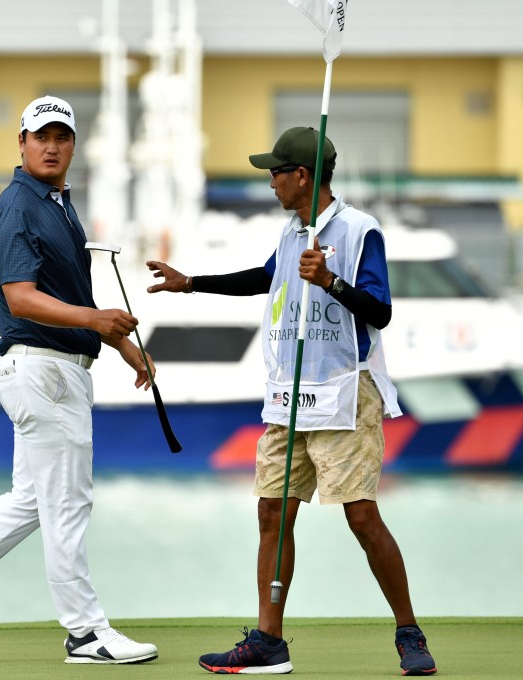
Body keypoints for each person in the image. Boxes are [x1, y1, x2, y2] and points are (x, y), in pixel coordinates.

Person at [146, 127, 437, 676]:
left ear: (302, 176)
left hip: (346, 393)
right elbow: (265, 278)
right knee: (271, 512)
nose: (271, 180)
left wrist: (329, 280)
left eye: (277, 171)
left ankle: (409, 632)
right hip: (288, 397)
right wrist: (191, 284)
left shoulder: (358, 230)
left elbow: (380, 311)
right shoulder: (289, 233)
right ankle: (267, 641)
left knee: (361, 516)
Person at [0, 95, 159, 666]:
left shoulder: (59, 205)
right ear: (21, 142)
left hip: (53, 369)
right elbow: (20, 297)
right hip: (44, 370)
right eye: (41, 136)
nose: (51, 145)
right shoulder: (18, 206)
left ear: (72, 145)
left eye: (62, 136)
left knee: (31, 500)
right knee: (67, 505)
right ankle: (85, 633)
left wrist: (119, 344)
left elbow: (69, 295)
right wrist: (96, 322)